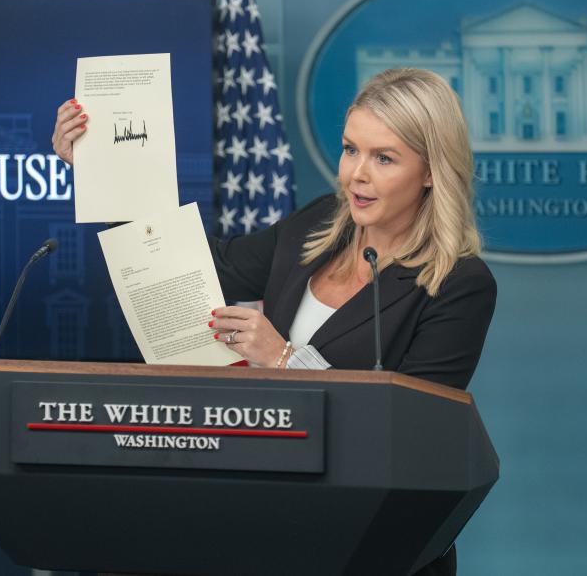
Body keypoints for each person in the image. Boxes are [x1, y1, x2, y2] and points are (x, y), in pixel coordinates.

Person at [53, 68, 496, 575]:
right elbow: (205, 266)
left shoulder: (459, 285)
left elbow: (411, 435)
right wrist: (103, 170)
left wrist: (284, 359)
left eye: (384, 158)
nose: (356, 174)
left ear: (431, 171)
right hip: (273, 529)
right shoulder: (318, 224)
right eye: (350, 149)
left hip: (371, 549)